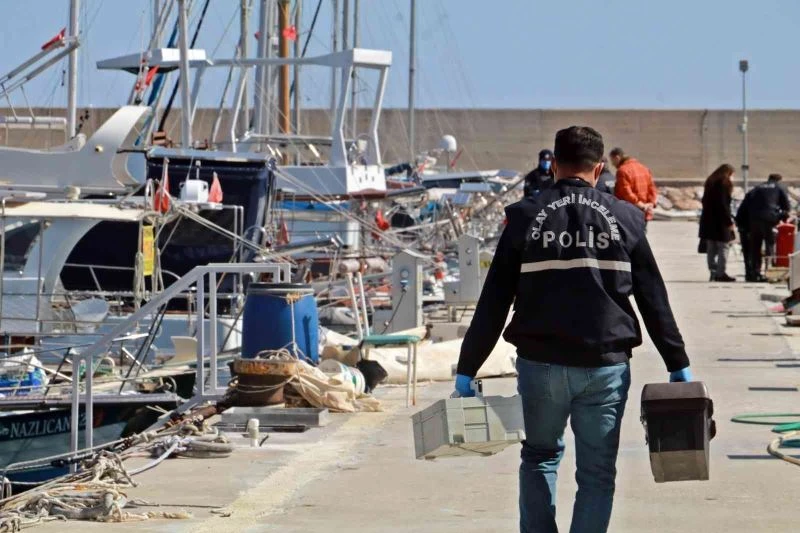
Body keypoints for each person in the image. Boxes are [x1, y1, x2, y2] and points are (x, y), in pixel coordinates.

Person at [454, 126, 692, 533]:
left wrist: (467, 366)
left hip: (540, 364)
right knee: (597, 473)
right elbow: (653, 296)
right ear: (599, 168)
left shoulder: (524, 216)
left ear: (555, 165)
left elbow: (494, 300)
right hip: (605, 367)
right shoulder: (627, 217)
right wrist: (677, 361)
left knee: (540, 456)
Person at [744, 174, 791, 281]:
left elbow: (746, 203)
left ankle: (755, 272)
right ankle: (769, 272)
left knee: (755, 246)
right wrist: (782, 216)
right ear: (779, 180)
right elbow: (787, 207)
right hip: (770, 219)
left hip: (754, 220)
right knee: (770, 244)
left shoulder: (757, 187)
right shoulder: (779, 188)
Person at [698, 164, 736, 282]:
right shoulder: (724, 184)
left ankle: (713, 271)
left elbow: (704, 201)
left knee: (711, 247)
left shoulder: (710, 182)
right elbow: (723, 205)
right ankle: (721, 273)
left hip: (708, 221)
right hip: (720, 222)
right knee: (724, 247)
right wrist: (729, 222)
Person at [609, 147, 658, 223]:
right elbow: (652, 188)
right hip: (644, 213)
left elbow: (627, 193)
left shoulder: (622, 170)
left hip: (629, 212)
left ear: (617, 157)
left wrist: (641, 205)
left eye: (612, 160)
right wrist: (650, 204)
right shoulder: (644, 168)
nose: (612, 164)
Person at [735, 192, 755, 281]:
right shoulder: (757, 206)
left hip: (744, 231)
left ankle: (748, 274)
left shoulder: (744, 205)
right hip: (752, 232)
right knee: (753, 253)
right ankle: (753, 273)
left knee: (747, 254)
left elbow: (738, 218)